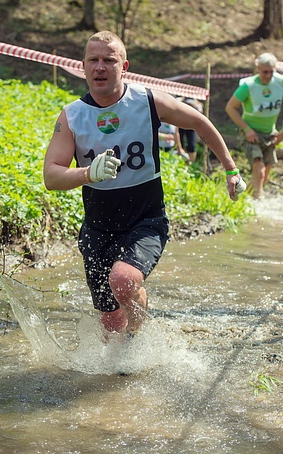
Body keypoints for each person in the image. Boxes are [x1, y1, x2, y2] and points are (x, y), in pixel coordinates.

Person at [43, 31, 243, 338]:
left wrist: (230, 170)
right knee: (110, 322)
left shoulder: (148, 101)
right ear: (82, 67)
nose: (100, 67)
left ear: (124, 67)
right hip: (98, 227)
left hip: (145, 220)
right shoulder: (72, 116)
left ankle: (136, 340)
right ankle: (122, 342)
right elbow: (51, 176)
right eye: (93, 60)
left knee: (123, 280)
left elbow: (200, 123)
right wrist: (88, 174)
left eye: (109, 60)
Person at [225, 52, 283, 199]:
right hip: (251, 133)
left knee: (263, 178)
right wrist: (247, 129)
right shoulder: (248, 86)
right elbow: (230, 108)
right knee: (260, 171)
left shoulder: (282, 82)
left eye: (272, 71)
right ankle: (260, 205)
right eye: (265, 72)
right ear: (258, 68)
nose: (269, 75)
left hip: (270, 133)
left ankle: (245, 199)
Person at [178, 97, 204, 164]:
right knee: (180, 143)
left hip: (191, 126)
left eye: (190, 105)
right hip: (179, 123)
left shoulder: (198, 107)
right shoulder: (178, 103)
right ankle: (182, 161)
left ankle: (191, 164)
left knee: (191, 145)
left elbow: (200, 122)